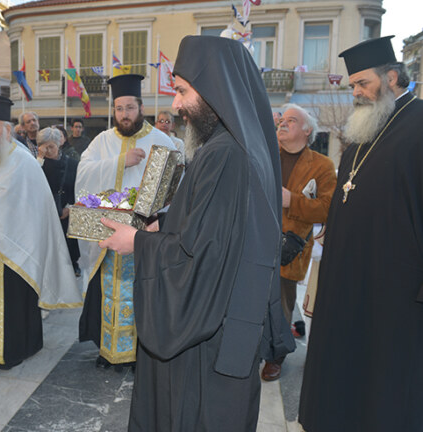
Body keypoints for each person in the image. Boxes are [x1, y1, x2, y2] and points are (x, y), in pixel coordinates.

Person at [99, 35, 293, 431]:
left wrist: (135, 242)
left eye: (183, 91)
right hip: (229, 324)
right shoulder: (236, 145)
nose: (175, 104)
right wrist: (164, 226)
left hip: (207, 342)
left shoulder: (224, 154)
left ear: (214, 90)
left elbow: (200, 259)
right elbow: (220, 230)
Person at [299, 36, 423, 432]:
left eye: (362, 83)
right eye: (351, 85)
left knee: (383, 379)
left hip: (397, 288)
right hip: (349, 277)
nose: (355, 93)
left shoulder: (419, 124)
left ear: (391, 77)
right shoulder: (360, 132)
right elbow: (347, 194)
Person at [0, 95, 82, 369]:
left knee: (9, 302)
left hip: (12, 250)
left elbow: (31, 209)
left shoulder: (23, 161)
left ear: (7, 130)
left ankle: (12, 350)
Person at [76, 73, 175, 369]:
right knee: (108, 292)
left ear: (141, 107)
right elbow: (83, 176)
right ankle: (108, 350)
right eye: (119, 109)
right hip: (108, 233)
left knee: (142, 292)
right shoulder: (102, 141)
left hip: (145, 234)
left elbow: (173, 189)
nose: (124, 115)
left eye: (130, 108)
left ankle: (138, 353)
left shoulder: (161, 140)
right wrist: (121, 162)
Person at [260, 103, 336, 381]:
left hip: (288, 248)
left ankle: (274, 356)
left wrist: (293, 201)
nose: (283, 123)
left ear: (307, 131)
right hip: (255, 238)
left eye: (291, 120)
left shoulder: (322, 165)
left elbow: (329, 207)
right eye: (282, 119)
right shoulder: (265, 154)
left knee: (280, 305)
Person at [37, 127, 81, 276]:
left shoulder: (73, 164)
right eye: (44, 147)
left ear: (59, 144)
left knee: (68, 245)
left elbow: (79, 188)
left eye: (51, 147)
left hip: (66, 212)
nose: (48, 151)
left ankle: (71, 267)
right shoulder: (36, 165)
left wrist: (70, 207)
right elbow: (32, 186)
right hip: (44, 213)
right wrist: (39, 160)